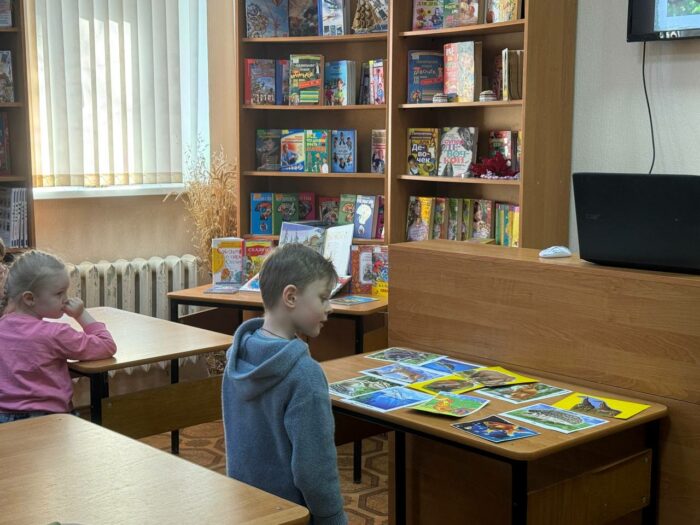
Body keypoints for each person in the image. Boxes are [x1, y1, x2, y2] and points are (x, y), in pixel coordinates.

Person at [222, 244, 347, 525]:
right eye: (323, 298)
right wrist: (333, 517)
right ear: (290, 296)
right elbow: (314, 470)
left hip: (246, 510)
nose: (330, 307)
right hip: (292, 516)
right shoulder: (305, 375)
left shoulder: (237, 357)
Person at [0, 250, 117, 424]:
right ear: (30, 298)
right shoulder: (55, 333)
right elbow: (107, 345)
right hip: (50, 421)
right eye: (59, 293)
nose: (66, 299)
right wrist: (81, 314)